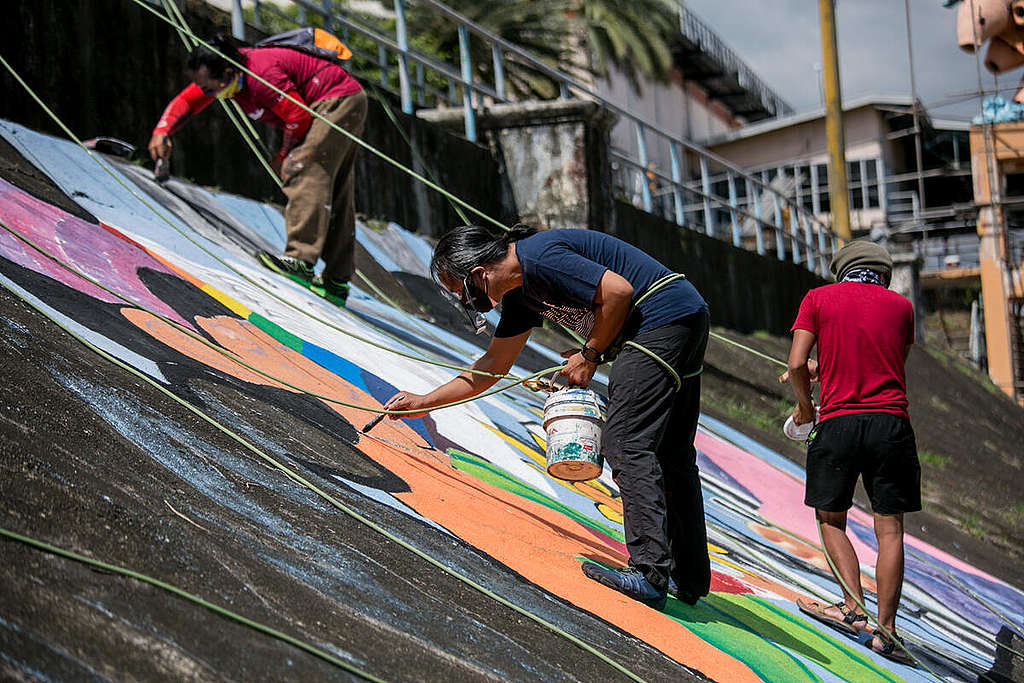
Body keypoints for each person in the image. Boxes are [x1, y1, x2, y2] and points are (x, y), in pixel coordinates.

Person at [384, 224, 712, 610]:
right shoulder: (520, 294)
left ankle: (650, 574)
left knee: (624, 442)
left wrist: (589, 356)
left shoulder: (537, 257)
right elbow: (493, 366)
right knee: (672, 453)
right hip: (685, 314)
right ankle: (687, 577)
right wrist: (425, 401)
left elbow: (619, 292)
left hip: (661, 320)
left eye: (463, 294)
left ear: (477, 275)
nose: (468, 303)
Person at [148, 33, 366, 306]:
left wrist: (285, 155)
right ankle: (336, 280)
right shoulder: (222, 77)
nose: (208, 94)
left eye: (210, 88)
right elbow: (188, 100)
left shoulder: (261, 75)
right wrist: (163, 130)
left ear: (227, 73)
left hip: (336, 100)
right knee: (334, 188)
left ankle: (300, 259)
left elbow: (298, 116)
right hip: (345, 99)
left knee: (305, 168)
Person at [785, 240, 920, 664]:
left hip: (838, 423)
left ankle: (853, 609)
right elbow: (887, 360)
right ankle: (887, 631)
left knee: (830, 518)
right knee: (891, 529)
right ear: (884, 272)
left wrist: (806, 404)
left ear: (840, 269)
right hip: (891, 425)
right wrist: (822, 368)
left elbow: (793, 364)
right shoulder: (901, 308)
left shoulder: (818, 299)